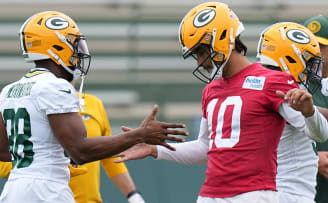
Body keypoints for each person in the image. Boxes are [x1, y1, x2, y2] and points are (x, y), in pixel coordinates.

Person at [113, 2, 328, 202]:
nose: (199, 61)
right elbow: (207, 147)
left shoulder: (272, 81)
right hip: (210, 194)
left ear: (222, 39)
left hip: (256, 194)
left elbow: (319, 134)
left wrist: (309, 112)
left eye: (200, 51)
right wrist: (155, 150)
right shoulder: (211, 91)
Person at [0, 11, 188, 203]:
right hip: (47, 192)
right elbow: (80, 152)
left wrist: (40, 155)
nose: (77, 54)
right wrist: (139, 135)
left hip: (13, 191)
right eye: (73, 45)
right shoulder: (55, 87)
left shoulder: (11, 89)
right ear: (56, 47)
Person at [0, 92, 146, 203]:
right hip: (48, 197)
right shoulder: (33, 105)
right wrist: (52, 161)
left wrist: (132, 194)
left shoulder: (93, 103)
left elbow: (108, 156)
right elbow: (4, 167)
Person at [256, 21, 328, 203]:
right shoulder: (283, 87)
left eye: (322, 47)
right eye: (309, 56)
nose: (315, 57)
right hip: (291, 189)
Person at [304, 15, 328, 203]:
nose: (313, 53)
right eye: (308, 47)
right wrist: (312, 159)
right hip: (305, 190)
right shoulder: (293, 84)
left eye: (320, 47)